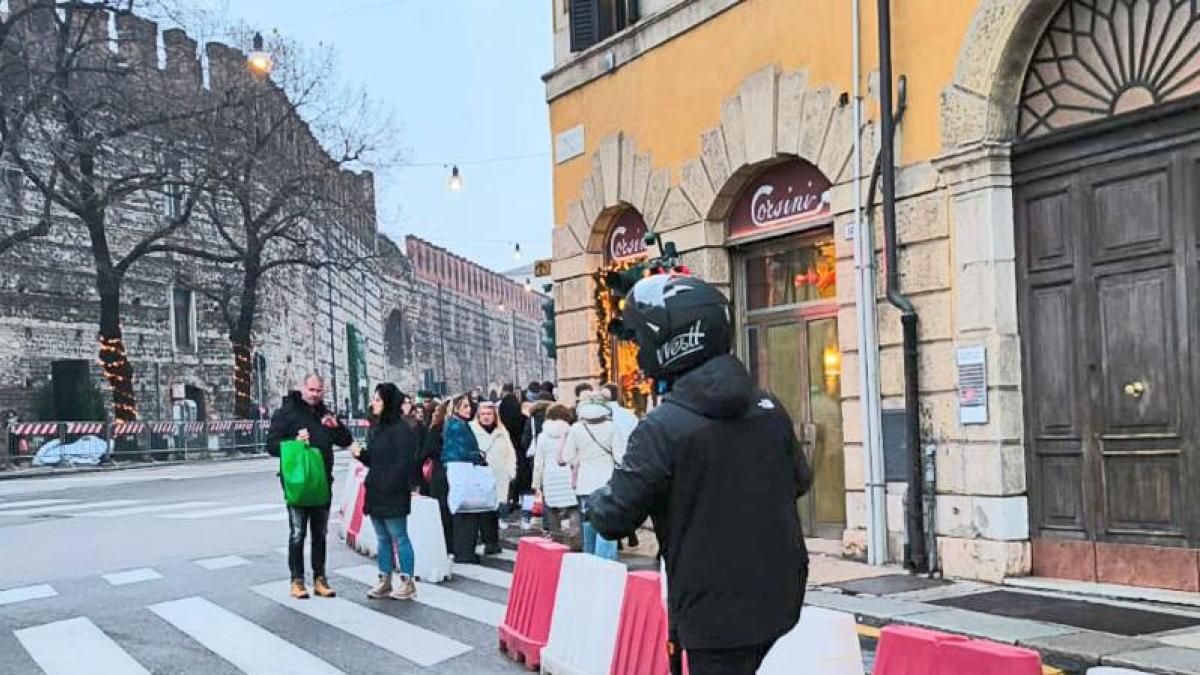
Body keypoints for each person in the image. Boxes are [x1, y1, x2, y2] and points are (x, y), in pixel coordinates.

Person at [588, 274, 811, 675]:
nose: (638, 354)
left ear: (669, 342)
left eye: (641, 342)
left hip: (712, 614)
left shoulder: (662, 427)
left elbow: (612, 516)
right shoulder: (769, 407)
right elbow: (800, 480)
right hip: (779, 598)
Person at [266, 373, 353, 600]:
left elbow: (345, 441)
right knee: (297, 533)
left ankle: (320, 578)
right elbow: (272, 445)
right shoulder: (286, 413)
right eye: (311, 390)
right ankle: (296, 580)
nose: (315, 395)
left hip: (322, 482)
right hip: (296, 483)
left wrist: (336, 427)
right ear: (302, 389)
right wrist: (294, 442)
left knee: (320, 533)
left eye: (319, 391)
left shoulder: (325, 413)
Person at [351, 384, 420, 601]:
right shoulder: (377, 428)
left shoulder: (402, 430)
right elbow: (374, 459)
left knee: (399, 536)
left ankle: (407, 580)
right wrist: (361, 454)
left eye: (379, 400)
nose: (374, 404)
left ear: (389, 402)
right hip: (377, 489)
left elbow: (404, 461)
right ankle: (384, 578)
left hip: (393, 490)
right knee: (382, 538)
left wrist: (390, 482)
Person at [562, 394, 626, 560]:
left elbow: (567, 456)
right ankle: (606, 560)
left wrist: (579, 462)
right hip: (607, 482)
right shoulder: (612, 427)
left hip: (585, 483)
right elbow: (620, 457)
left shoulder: (576, 428)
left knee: (588, 522)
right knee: (606, 522)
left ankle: (589, 558)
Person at [441, 394, 485, 564]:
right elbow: (460, 451)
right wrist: (478, 456)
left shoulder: (458, 424)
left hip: (461, 470)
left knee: (466, 510)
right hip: (462, 470)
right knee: (465, 511)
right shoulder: (457, 426)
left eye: (469, 406)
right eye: (465, 406)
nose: (469, 409)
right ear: (457, 408)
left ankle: (465, 550)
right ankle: (464, 551)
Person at [531, 403, 580, 548]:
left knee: (552, 510)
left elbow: (538, 462)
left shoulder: (542, 436)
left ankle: (556, 541)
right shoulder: (572, 432)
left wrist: (536, 483)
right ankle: (576, 540)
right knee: (573, 508)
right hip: (568, 475)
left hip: (550, 477)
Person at [471, 402, 517, 553]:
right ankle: (486, 540)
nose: (486, 417)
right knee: (484, 509)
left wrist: (511, 471)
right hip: (481, 475)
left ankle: (493, 540)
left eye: (489, 414)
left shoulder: (502, 431)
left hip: (500, 475)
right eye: (483, 414)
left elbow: (510, 453)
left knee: (496, 508)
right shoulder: (472, 430)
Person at [420, 400, 453, 549]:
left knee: (446, 510)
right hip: (442, 475)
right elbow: (427, 451)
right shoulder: (437, 429)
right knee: (445, 510)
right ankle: (448, 543)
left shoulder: (437, 429)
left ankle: (448, 543)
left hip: (443, 474)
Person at [498, 384, 529, 522]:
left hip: (506, 454)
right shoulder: (523, 419)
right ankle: (526, 513)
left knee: (507, 484)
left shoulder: (499, 423)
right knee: (526, 486)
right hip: (522, 454)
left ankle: (505, 512)